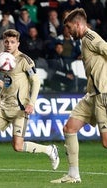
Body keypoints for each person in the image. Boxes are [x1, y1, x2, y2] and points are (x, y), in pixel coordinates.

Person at [0, 29, 60, 175]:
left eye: (12, 42)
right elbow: (8, 82)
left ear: (17, 43)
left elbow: (36, 81)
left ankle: (49, 150)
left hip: (20, 108)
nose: (8, 44)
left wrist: (32, 103)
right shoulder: (3, 58)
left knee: (17, 146)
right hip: (5, 105)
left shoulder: (24, 60)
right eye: (6, 41)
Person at [51, 8, 107, 183]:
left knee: (106, 142)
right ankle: (73, 174)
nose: (67, 31)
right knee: (69, 128)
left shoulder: (90, 37)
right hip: (91, 94)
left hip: (102, 94)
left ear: (77, 24)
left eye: (69, 27)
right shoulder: (83, 40)